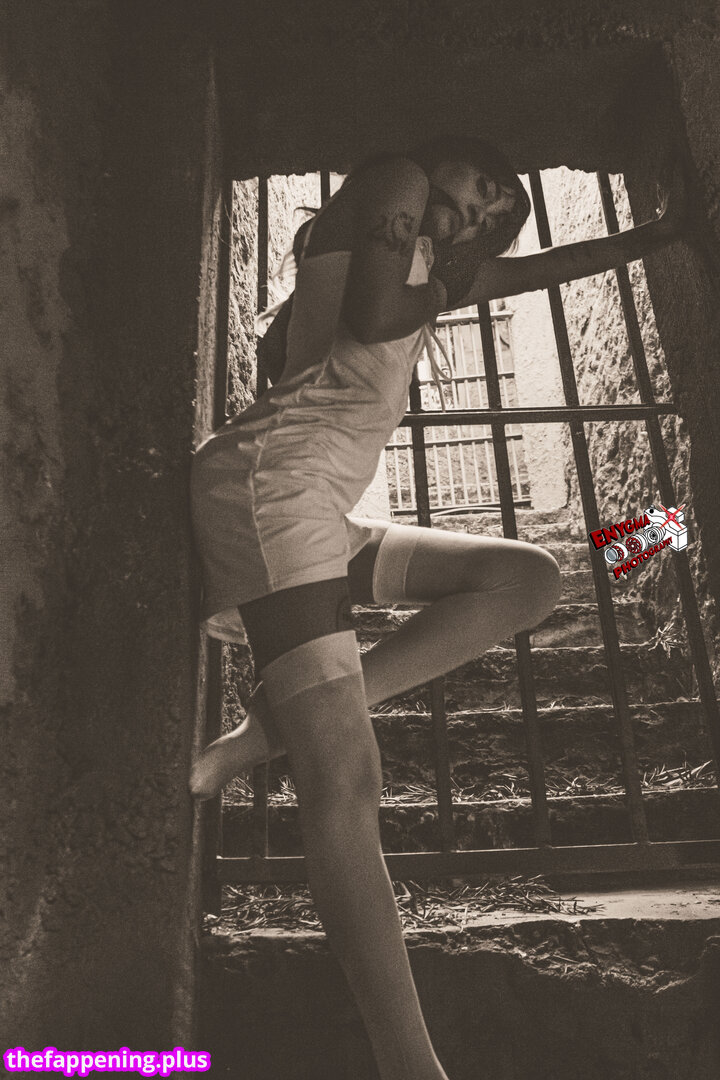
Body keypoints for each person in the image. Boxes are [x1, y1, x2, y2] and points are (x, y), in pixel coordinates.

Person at [190, 138, 685, 1080]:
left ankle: (267, 732)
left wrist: (655, 237)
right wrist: (453, 280)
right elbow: (378, 313)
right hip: (274, 488)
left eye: (497, 216)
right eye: (482, 188)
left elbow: (547, 269)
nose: (481, 212)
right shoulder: (396, 185)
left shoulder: (430, 265)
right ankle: (411, 1065)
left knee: (529, 578)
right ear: (444, 162)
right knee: (349, 781)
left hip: (318, 508)